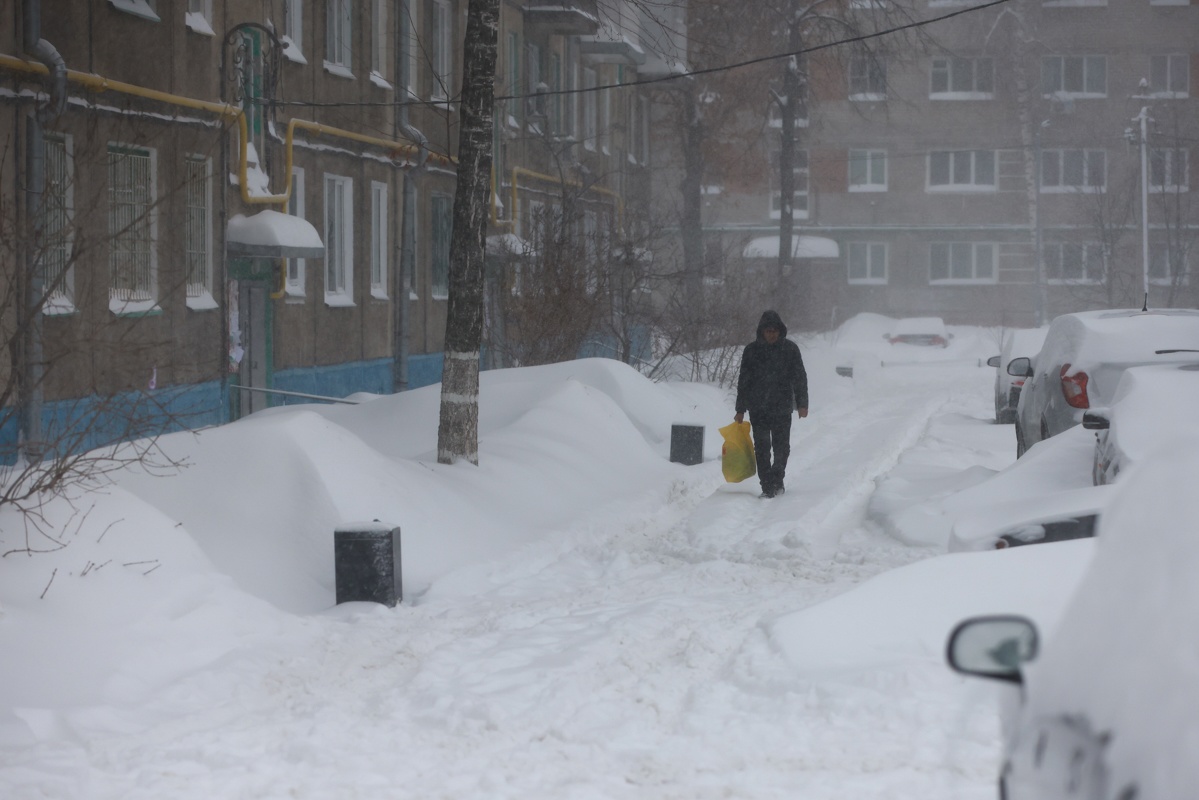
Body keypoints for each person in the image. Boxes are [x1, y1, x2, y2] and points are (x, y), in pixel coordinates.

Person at [734, 310, 808, 498]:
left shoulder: (790, 349)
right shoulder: (751, 351)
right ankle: (766, 484)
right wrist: (740, 409)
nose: (772, 334)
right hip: (758, 408)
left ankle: (777, 476)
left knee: (782, 447)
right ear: (762, 331)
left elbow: (800, 378)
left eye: (775, 330)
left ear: (780, 330)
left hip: (782, 407)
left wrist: (802, 403)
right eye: (768, 331)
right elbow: (744, 380)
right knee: (762, 448)